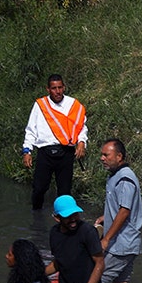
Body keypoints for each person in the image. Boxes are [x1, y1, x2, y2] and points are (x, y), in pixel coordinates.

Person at [23, 73, 88, 211]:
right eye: (54, 88)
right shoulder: (40, 105)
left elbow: (81, 126)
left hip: (66, 152)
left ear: (64, 87)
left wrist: (81, 142)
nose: (57, 91)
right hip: (45, 153)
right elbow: (31, 130)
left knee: (64, 191)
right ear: (48, 89)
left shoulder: (73, 105)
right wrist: (27, 151)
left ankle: (65, 219)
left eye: (60, 87)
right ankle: (37, 217)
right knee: (39, 188)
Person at [96, 138, 142, 283]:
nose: (102, 158)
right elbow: (118, 208)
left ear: (119, 156)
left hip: (121, 244)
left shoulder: (125, 178)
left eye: (106, 155)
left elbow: (124, 211)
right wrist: (105, 217)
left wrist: (106, 238)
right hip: (127, 244)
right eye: (102, 154)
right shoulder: (115, 176)